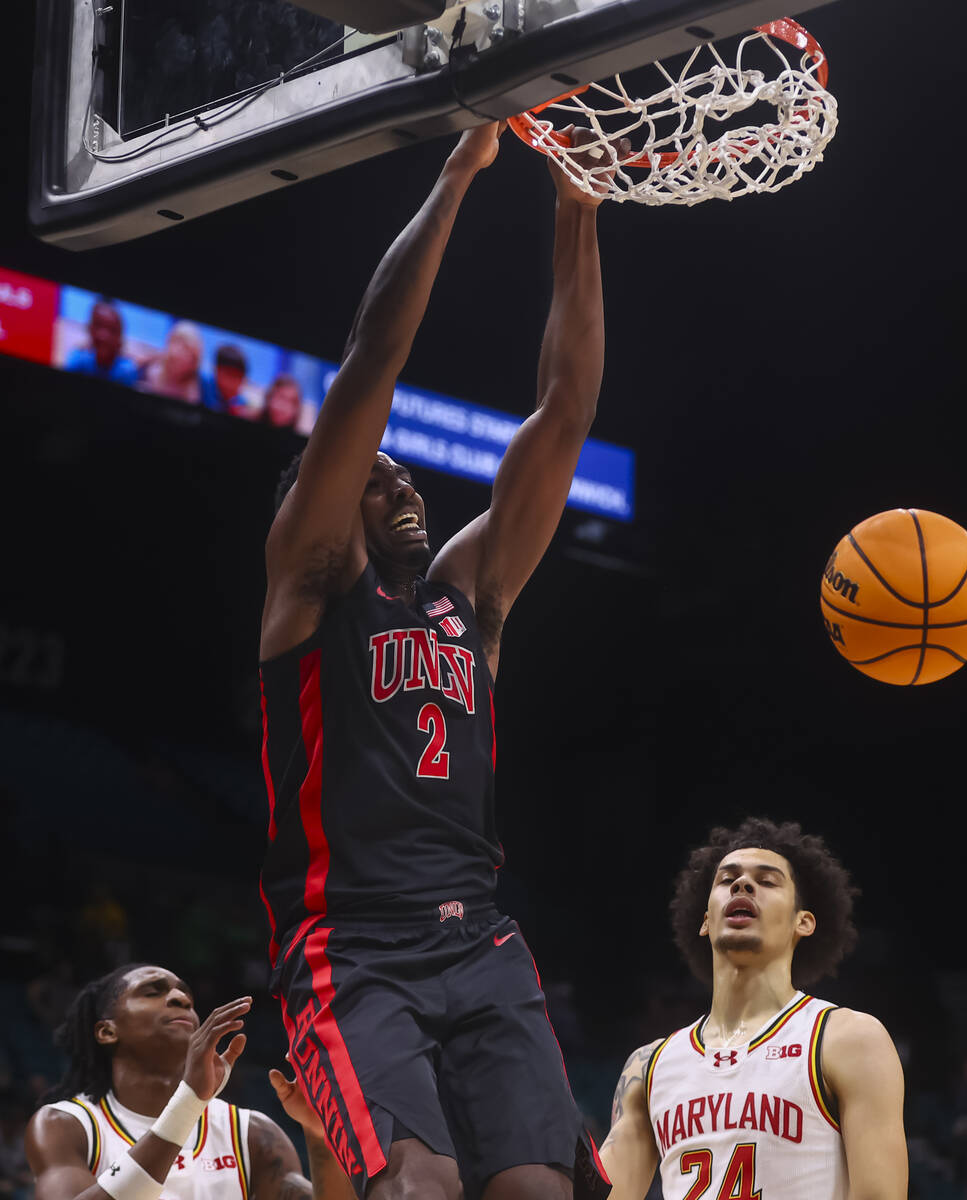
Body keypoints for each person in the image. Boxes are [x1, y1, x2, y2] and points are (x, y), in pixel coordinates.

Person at [258, 120, 626, 1200]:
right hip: (352, 942)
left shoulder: (472, 597)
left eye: (406, 474)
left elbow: (565, 415)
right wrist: (460, 174)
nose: (403, 484)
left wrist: (578, 207)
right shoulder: (311, 588)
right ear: (317, 504)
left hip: (481, 939)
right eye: (376, 479)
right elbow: (372, 361)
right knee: (416, 1185)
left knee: (536, 1192)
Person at [598, 817, 908, 1199]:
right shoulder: (648, 1066)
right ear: (706, 920)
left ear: (804, 922)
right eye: (727, 879)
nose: (742, 885)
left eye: (766, 881)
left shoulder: (846, 1038)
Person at [23, 964, 355, 1200]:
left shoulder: (252, 1132)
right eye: (153, 992)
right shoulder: (66, 1125)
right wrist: (190, 1102)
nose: (180, 999)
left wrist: (318, 1133)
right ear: (107, 1031)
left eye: (187, 997)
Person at [63, 299, 140, 387]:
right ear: (89, 328)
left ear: (119, 337)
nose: (103, 336)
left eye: (111, 330)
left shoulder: (126, 371)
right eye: (98, 326)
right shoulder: (79, 359)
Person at [137, 323, 203, 404]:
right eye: (176, 341)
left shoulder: (193, 391)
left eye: (186, 347)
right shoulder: (152, 366)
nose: (177, 351)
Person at [202, 345, 254, 418]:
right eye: (230, 375)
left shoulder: (241, 404)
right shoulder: (200, 385)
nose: (235, 383)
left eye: (240, 377)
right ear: (216, 370)